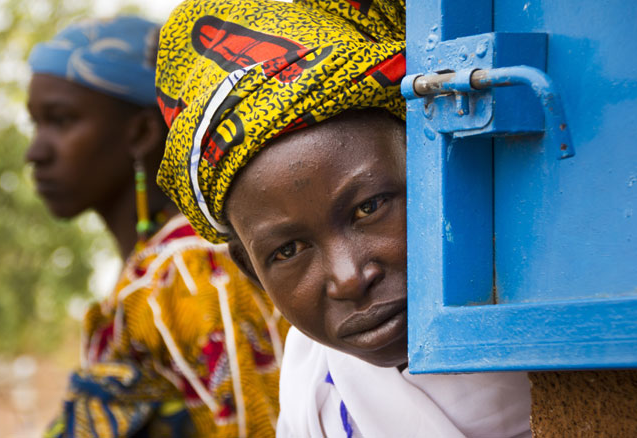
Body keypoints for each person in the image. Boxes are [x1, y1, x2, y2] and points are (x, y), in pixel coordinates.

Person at [154, 0, 532, 437]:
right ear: (252, 272)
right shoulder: (315, 403)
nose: (349, 278)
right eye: (288, 250)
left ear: (437, 176)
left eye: (369, 207)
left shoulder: (588, 359)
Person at [26, 15, 288, 438]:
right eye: (35, 123)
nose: (35, 151)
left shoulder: (190, 272)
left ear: (143, 132)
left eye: (61, 120)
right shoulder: (158, 272)